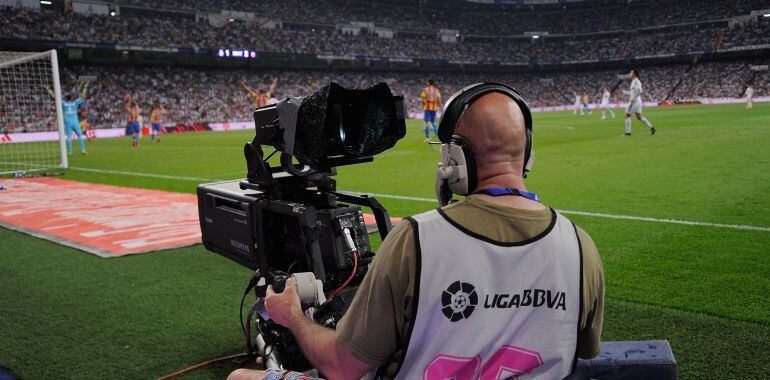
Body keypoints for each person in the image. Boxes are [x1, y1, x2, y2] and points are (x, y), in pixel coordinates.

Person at [231, 86, 605, 380]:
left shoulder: (415, 239)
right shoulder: (579, 246)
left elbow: (343, 368)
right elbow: (584, 351)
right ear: (527, 156)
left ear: (453, 159)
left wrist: (294, 316)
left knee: (239, 377)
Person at [45, 83, 88, 155]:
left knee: (69, 137)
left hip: (68, 123)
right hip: (75, 122)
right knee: (80, 136)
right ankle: (83, 150)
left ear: (66, 98)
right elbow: (83, 97)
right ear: (71, 98)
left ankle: (69, 152)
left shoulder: (63, 103)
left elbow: (54, 97)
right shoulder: (75, 103)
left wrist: (49, 90)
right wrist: (85, 88)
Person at [623, 69, 656, 136]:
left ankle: (628, 132)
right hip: (638, 101)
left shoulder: (636, 81)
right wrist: (624, 92)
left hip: (634, 101)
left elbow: (640, 91)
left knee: (627, 115)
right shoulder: (634, 81)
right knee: (639, 117)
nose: (630, 73)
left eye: (631, 72)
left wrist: (633, 99)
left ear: (634, 74)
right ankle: (652, 128)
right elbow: (632, 92)